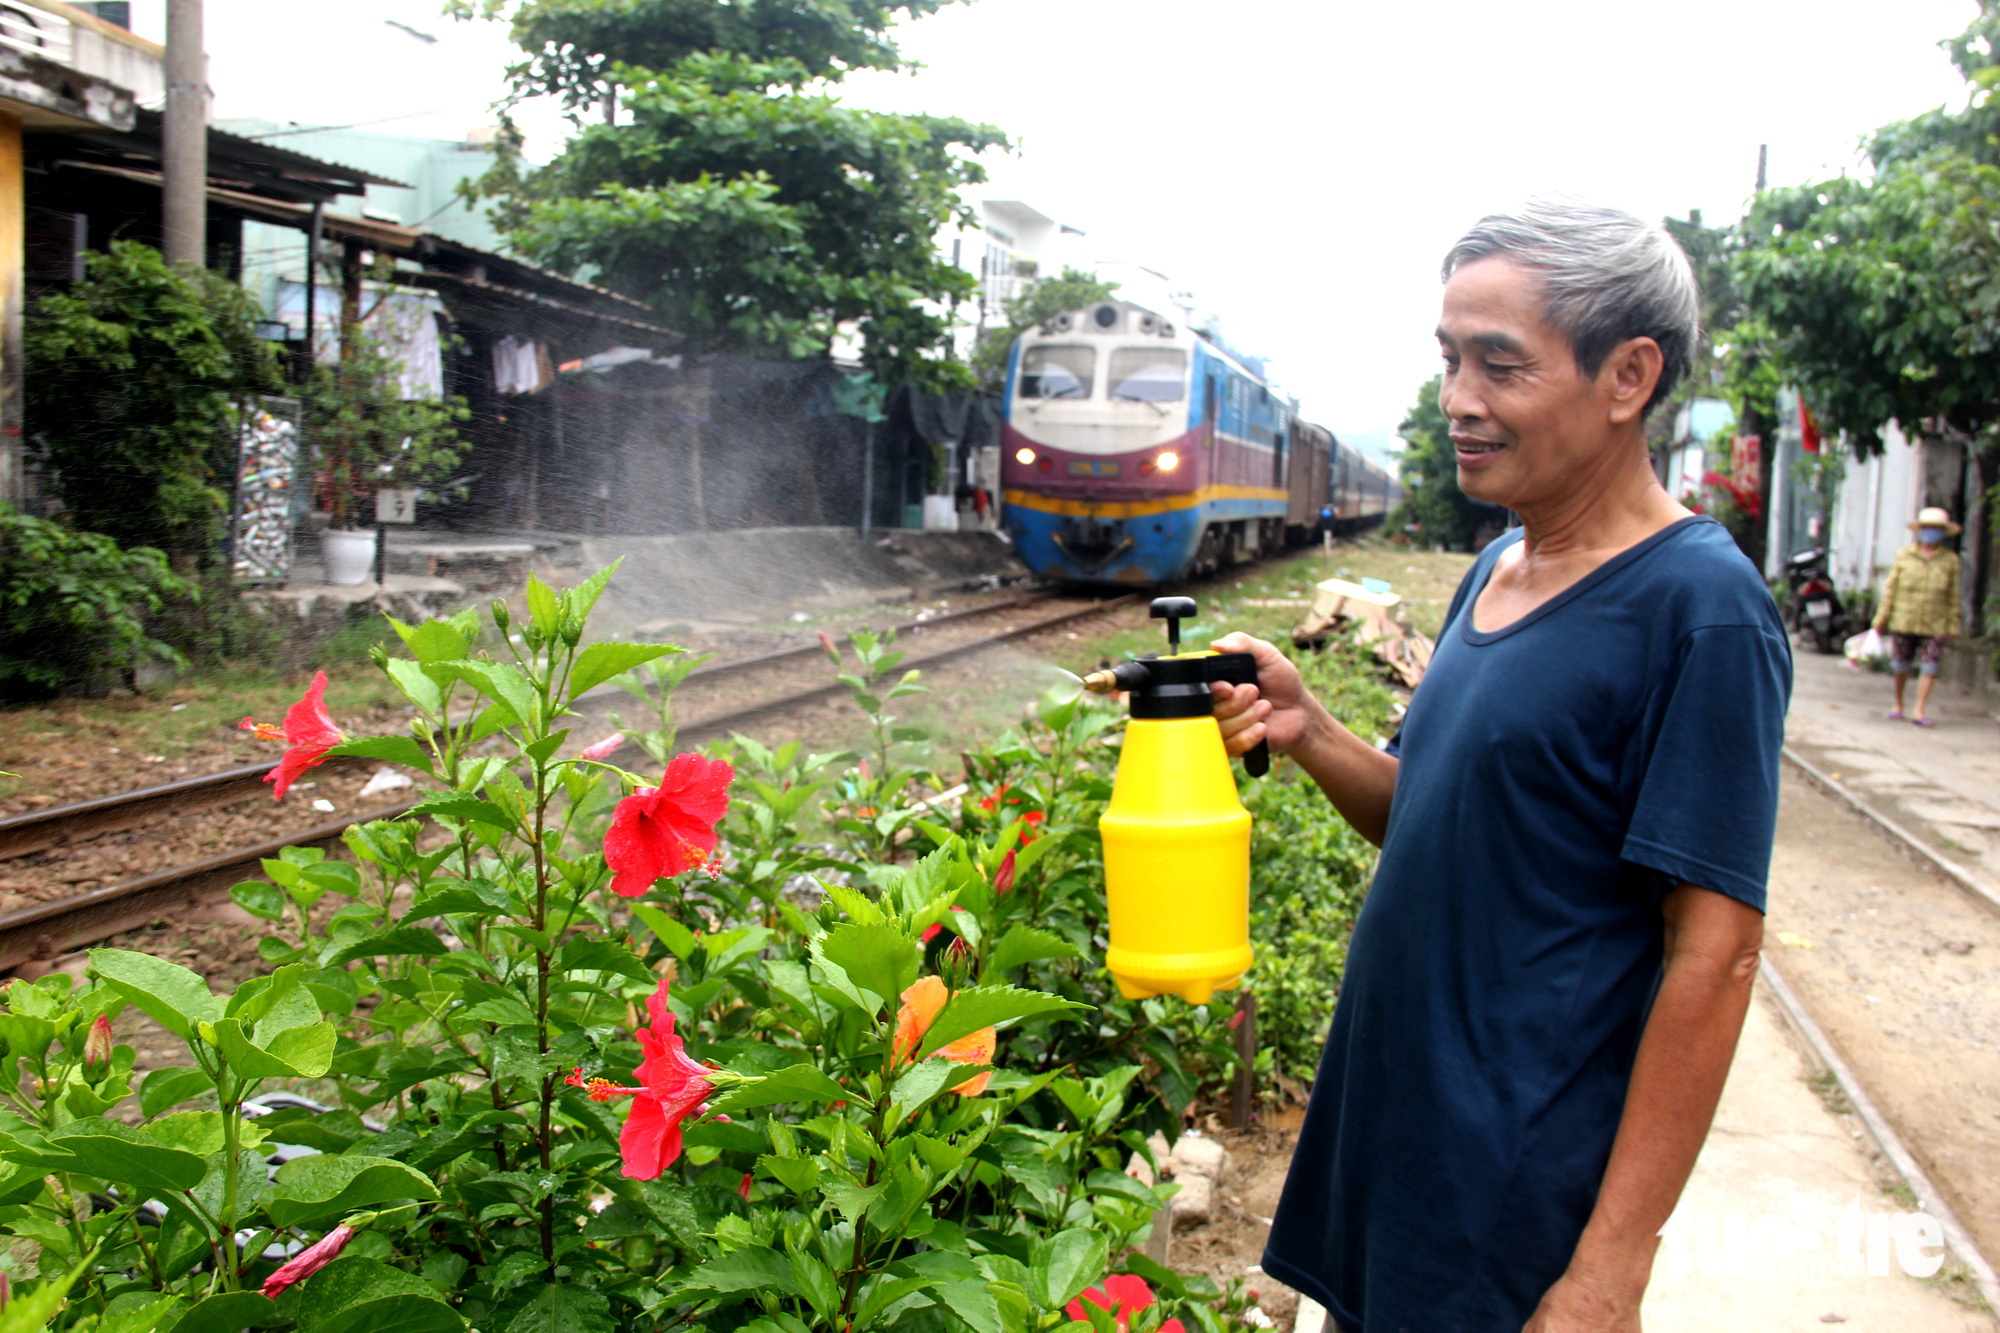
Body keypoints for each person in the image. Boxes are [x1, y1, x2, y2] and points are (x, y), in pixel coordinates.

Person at [1212, 200, 1790, 1333]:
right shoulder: (1498, 569)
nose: (1457, 400)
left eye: (1497, 364)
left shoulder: (1700, 610)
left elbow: (1713, 956)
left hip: (1513, 1197)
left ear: (1627, 375)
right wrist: (1311, 731)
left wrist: (1606, 1274)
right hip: (1398, 1152)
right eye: (1447, 358)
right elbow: (1440, 818)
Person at [1871, 506, 1961, 727]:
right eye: (1927, 528)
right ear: (1920, 530)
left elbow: (1954, 594)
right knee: (1901, 664)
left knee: (1930, 666)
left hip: (1935, 622)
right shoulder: (1904, 556)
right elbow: (1891, 589)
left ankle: (1919, 709)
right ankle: (1898, 703)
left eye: (1936, 529)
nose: (1931, 532)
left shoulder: (1949, 560)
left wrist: (1952, 623)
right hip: (1904, 619)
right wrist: (1880, 620)